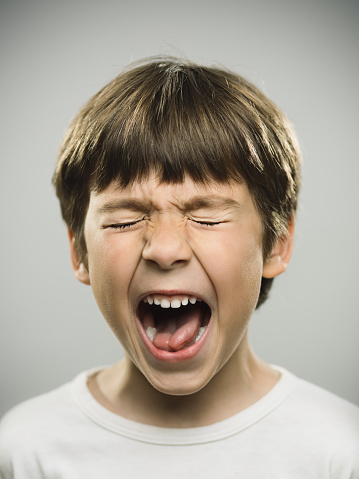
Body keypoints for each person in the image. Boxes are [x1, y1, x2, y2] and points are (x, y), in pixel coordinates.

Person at [0, 57, 358, 478]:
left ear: (277, 243)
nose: (165, 250)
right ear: (80, 251)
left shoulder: (340, 452)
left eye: (206, 216)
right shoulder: (24, 452)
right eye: (123, 220)